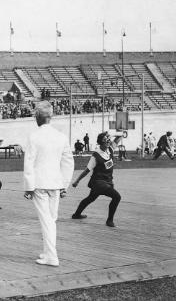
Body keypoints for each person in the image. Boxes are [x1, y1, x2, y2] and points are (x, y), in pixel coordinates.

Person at [23, 101, 74, 267]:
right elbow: (68, 162)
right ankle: (47, 252)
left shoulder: (34, 136)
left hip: (39, 183)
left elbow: (29, 162)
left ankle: (51, 256)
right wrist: (64, 184)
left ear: (38, 116)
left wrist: (29, 187)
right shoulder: (61, 136)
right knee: (51, 219)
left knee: (47, 220)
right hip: (55, 183)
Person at [71, 132, 123, 227]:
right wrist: (77, 181)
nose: (108, 143)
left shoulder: (110, 149)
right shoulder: (96, 155)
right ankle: (109, 221)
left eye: (108, 141)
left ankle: (76, 214)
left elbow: (120, 136)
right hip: (98, 182)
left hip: (108, 181)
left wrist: (111, 134)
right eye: (105, 141)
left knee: (90, 198)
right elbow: (87, 170)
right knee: (117, 197)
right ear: (100, 143)